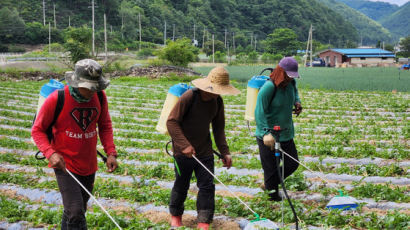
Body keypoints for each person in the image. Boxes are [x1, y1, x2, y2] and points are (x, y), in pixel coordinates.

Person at [31, 59, 118, 230]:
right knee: (76, 211)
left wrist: (111, 153)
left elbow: (105, 125)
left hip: (88, 164)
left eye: (96, 86)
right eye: (89, 87)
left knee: (75, 211)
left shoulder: (99, 96)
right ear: (77, 82)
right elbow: (37, 130)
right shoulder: (57, 99)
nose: (93, 90)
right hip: (65, 165)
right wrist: (50, 153)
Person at [166, 67, 240, 230]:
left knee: (207, 186)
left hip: (205, 151)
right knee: (181, 184)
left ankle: (204, 222)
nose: (217, 94)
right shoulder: (190, 97)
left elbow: (219, 129)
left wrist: (225, 152)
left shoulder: (218, 102)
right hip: (182, 152)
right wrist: (184, 145)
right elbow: (171, 122)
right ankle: (176, 216)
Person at [254, 57, 302, 201]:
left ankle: (269, 183)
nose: (289, 79)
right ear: (280, 72)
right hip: (269, 136)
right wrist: (266, 133)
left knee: (292, 163)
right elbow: (259, 111)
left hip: (286, 133)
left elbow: (295, 91)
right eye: (287, 75)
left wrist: (297, 102)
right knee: (270, 168)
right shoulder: (269, 87)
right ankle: (272, 198)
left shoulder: (291, 83)